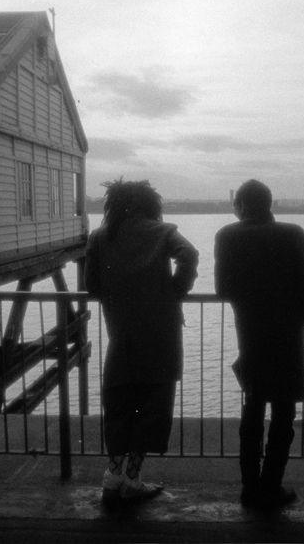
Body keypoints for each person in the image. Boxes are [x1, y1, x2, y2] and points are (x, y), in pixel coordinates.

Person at [84, 179, 198, 503]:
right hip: (161, 336)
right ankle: (133, 479)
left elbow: (91, 285)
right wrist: (176, 289)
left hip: (121, 334)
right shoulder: (163, 232)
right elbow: (189, 254)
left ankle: (112, 477)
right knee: (152, 406)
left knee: (118, 402)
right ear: (152, 204)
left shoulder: (100, 237)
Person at [215, 179, 304, 508]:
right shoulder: (294, 233)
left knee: (252, 410)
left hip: (249, 332)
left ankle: (250, 487)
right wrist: (301, 317)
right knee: (283, 414)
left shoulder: (227, 235)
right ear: (270, 203)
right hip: (288, 335)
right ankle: (272, 486)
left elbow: (223, 289)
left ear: (240, 206)